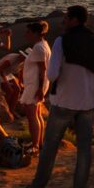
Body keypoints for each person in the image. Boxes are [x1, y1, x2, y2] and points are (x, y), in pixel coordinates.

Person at [17, 5, 94, 188]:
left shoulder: (63, 41)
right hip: (87, 103)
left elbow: (52, 74)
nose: (63, 22)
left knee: (50, 147)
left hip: (63, 101)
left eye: (66, 18)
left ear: (75, 20)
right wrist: (92, 89)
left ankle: (38, 187)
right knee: (84, 150)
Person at [19, 21, 52, 153]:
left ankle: (35, 146)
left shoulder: (39, 47)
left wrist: (39, 89)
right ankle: (39, 143)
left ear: (36, 33)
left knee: (31, 114)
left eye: (29, 32)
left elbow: (42, 69)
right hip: (37, 84)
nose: (26, 34)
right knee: (37, 114)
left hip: (35, 84)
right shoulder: (43, 45)